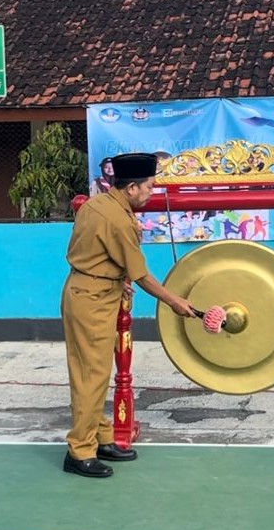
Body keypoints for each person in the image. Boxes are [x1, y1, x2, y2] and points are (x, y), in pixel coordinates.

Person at [61, 152, 197, 478]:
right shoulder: (118, 219)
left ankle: (102, 437)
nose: (152, 193)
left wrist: (115, 277)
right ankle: (79, 451)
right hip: (91, 298)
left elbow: (98, 252)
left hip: (95, 290)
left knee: (97, 371)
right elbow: (142, 275)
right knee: (90, 375)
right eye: (149, 187)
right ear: (132, 188)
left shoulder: (99, 204)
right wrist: (175, 301)